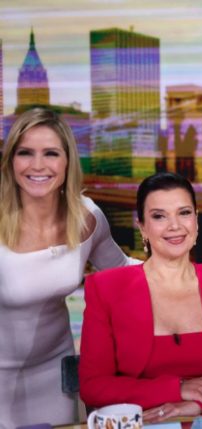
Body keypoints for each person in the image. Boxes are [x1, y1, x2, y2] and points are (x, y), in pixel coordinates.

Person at [79, 172, 202, 422]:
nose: (175, 226)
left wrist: (201, 404)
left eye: (184, 212)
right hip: (141, 423)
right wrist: (177, 389)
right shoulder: (106, 288)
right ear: (143, 227)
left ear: (196, 221)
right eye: (159, 216)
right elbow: (93, 386)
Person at [0, 108, 136, 428]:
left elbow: (122, 272)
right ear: (10, 161)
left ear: (67, 162)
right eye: (25, 153)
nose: (37, 165)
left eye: (50, 153)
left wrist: (186, 272)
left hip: (55, 371)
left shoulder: (86, 216)